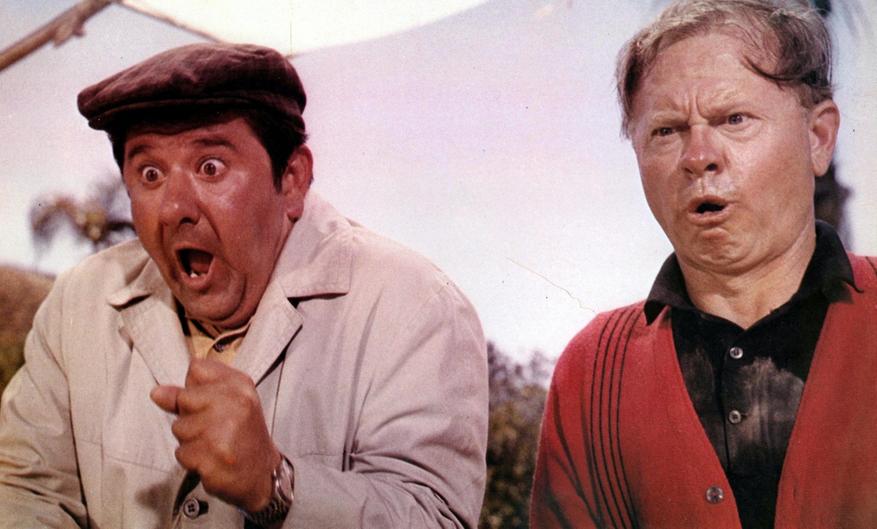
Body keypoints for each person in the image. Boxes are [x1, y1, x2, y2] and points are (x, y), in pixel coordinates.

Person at [0, 43, 488, 528]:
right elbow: (25, 490)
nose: (175, 208)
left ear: (292, 179)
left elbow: (435, 519)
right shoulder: (81, 299)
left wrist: (275, 486)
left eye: (210, 167)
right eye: (150, 173)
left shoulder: (415, 306)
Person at [530, 1, 877, 528]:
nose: (698, 157)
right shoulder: (591, 372)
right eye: (666, 131)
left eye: (734, 119)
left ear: (818, 137)